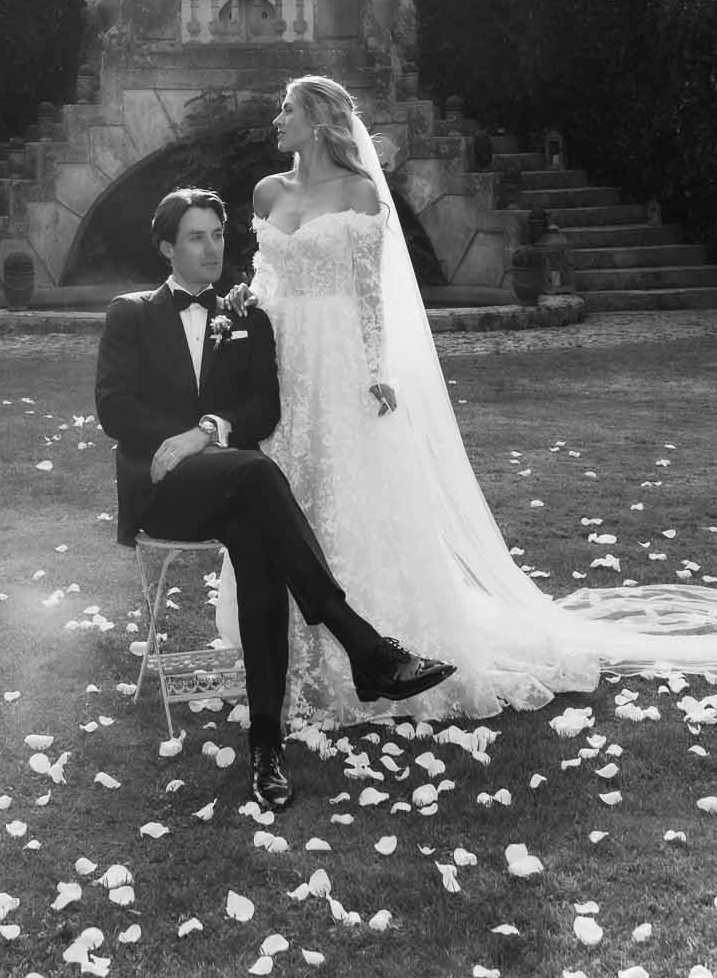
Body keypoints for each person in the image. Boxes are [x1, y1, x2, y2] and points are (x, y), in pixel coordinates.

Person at [216, 73, 717, 726]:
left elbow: (371, 294)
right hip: (285, 359)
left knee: (348, 490)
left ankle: (364, 642)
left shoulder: (360, 194)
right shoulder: (267, 194)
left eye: (286, 110)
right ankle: (287, 640)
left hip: (338, 356)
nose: (276, 120)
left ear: (316, 120)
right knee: (291, 483)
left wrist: (375, 367)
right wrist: (247, 305)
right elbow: (266, 274)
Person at [94, 186, 454, 810]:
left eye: (217, 234)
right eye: (196, 238)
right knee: (260, 479)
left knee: (258, 540)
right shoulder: (129, 314)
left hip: (231, 483)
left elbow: (263, 410)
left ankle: (266, 749)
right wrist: (176, 445)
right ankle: (363, 645)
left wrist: (203, 432)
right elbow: (114, 408)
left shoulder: (246, 316)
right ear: (166, 249)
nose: (212, 248)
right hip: (163, 492)